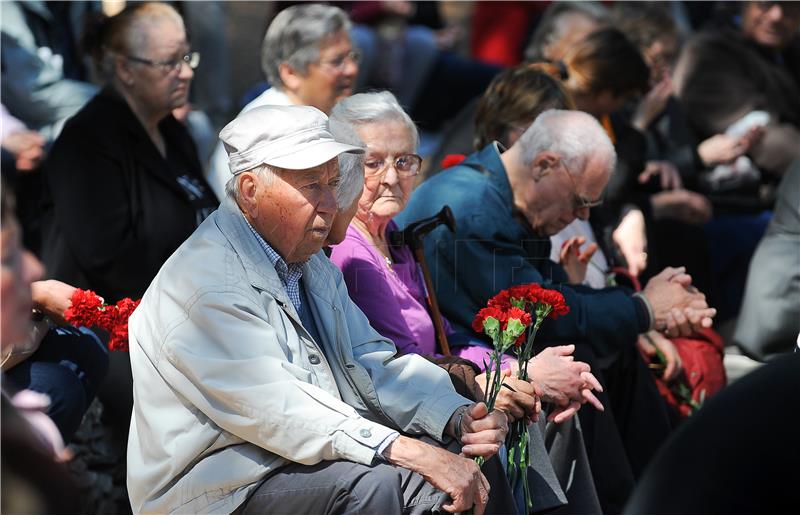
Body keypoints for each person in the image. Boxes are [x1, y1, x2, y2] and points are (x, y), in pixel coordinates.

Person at [127, 104, 514, 514]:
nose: (331, 203)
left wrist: (457, 415)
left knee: (472, 452)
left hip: (297, 463)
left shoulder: (310, 263)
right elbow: (280, 408)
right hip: (218, 493)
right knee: (371, 484)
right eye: (312, 185)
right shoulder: (206, 282)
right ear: (250, 191)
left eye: (332, 182)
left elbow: (372, 363)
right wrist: (409, 451)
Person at [397, 109, 717, 512]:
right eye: (581, 201)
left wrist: (645, 311)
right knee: (583, 363)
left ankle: (657, 494)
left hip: (478, 354)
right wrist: (645, 309)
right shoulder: (474, 209)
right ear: (545, 165)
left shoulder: (495, 192)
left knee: (604, 359)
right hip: (453, 370)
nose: (583, 216)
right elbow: (544, 318)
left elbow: (551, 293)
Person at [328, 91, 604, 514]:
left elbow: (446, 335)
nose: (391, 176)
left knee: (556, 403)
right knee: (518, 415)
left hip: (442, 387)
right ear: (344, 166)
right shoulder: (350, 253)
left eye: (404, 162)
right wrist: (517, 376)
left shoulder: (394, 236)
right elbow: (398, 363)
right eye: (373, 162)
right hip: (402, 411)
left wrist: (514, 368)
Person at [39, 1, 217, 437]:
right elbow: (110, 259)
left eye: (187, 57)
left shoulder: (173, 131)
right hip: (114, 324)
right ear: (125, 69)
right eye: (170, 62)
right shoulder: (87, 139)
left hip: (189, 310)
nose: (186, 72)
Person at [206, 4, 359, 199]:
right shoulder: (269, 129)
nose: (352, 69)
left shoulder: (325, 113)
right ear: (291, 73)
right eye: (337, 61)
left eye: (353, 56)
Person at [673, 1, 800, 178]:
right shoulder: (708, 54)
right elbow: (765, 140)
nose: (776, 15)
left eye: (790, 6)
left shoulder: (788, 51)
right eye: (766, 4)